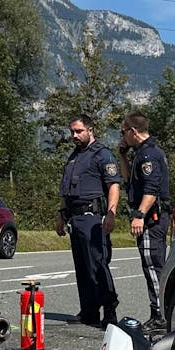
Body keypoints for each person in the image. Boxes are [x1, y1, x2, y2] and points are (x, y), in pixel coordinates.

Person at [57, 114, 121, 326]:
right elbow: (66, 190)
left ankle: (109, 311)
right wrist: (61, 215)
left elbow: (113, 185)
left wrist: (111, 214)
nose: (74, 135)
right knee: (82, 268)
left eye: (78, 131)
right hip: (75, 218)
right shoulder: (74, 156)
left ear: (90, 130)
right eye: (72, 132)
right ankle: (89, 311)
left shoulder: (102, 155)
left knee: (97, 266)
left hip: (93, 218)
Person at [120, 111, 170, 330]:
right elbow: (128, 179)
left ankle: (162, 317)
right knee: (150, 265)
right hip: (150, 216)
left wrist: (140, 215)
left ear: (133, 131)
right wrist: (122, 155)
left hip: (152, 218)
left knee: (154, 266)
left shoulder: (149, 155)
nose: (122, 137)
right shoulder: (140, 153)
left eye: (123, 132)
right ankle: (158, 314)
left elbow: (152, 189)